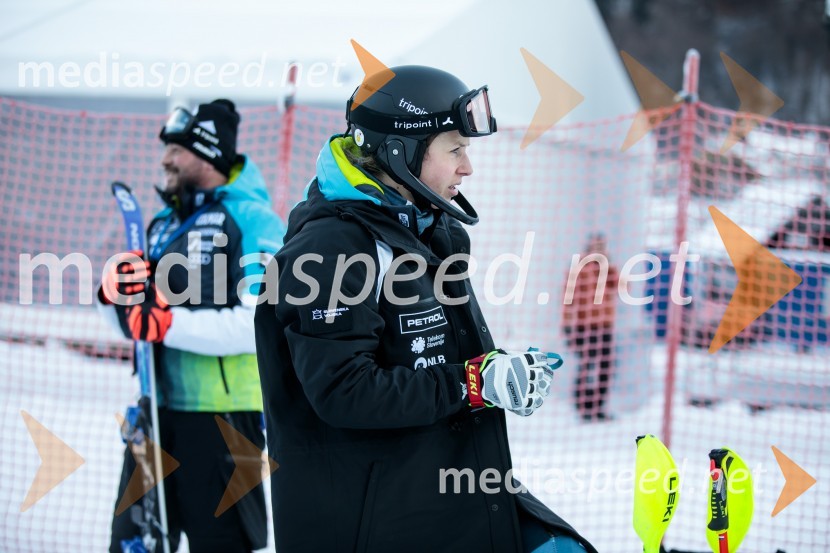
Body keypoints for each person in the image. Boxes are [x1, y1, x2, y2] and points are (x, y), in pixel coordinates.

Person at [254, 66, 596, 553]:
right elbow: (343, 391)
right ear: (401, 150)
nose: (467, 168)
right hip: (371, 525)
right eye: (455, 149)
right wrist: (473, 384)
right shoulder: (333, 249)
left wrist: (498, 374)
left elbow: (433, 360)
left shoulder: (425, 231)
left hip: (448, 504)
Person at [97, 99, 286, 552]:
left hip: (226, 421)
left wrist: (165, 323)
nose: (165, 159)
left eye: (176, 150)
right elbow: (136, 324)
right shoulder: (165, 224)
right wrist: (111, 296)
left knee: (222, 545)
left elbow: (256, 324)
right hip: (156, 414)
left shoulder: (254, 221)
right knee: (131, 544)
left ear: (206, 154)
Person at [562, 232, 620, 421]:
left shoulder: (607, 269)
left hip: (604, 326)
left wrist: (609, 268)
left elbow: (622, 288)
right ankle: (583, 406)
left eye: (601, 246)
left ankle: (598, 407)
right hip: (584, 326)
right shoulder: (579, 268)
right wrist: (567, 326)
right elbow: (567, 299)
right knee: (587, 366)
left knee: (605, 367)